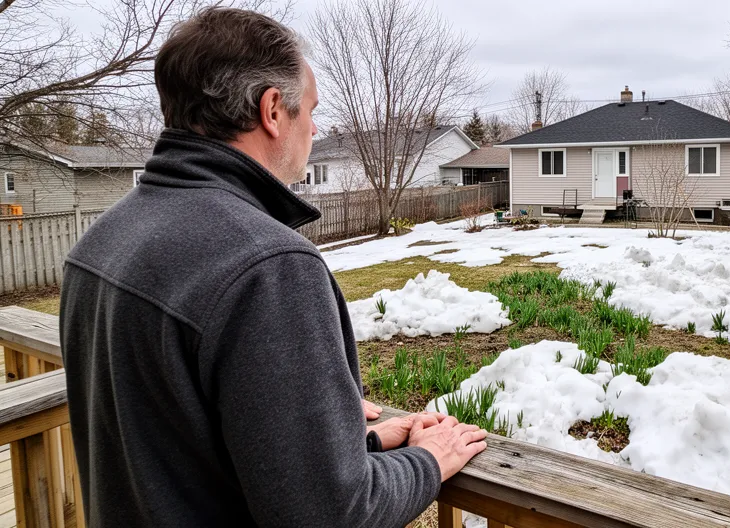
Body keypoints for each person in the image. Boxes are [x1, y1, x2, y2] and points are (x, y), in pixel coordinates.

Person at [58, 7, 486, 527]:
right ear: (272, 112)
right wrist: (429, 459)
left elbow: (180, 449)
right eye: (310, 109)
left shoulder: (102, 241)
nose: (315, 126)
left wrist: (356, 446)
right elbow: (331, 517)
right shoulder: (267, 266)